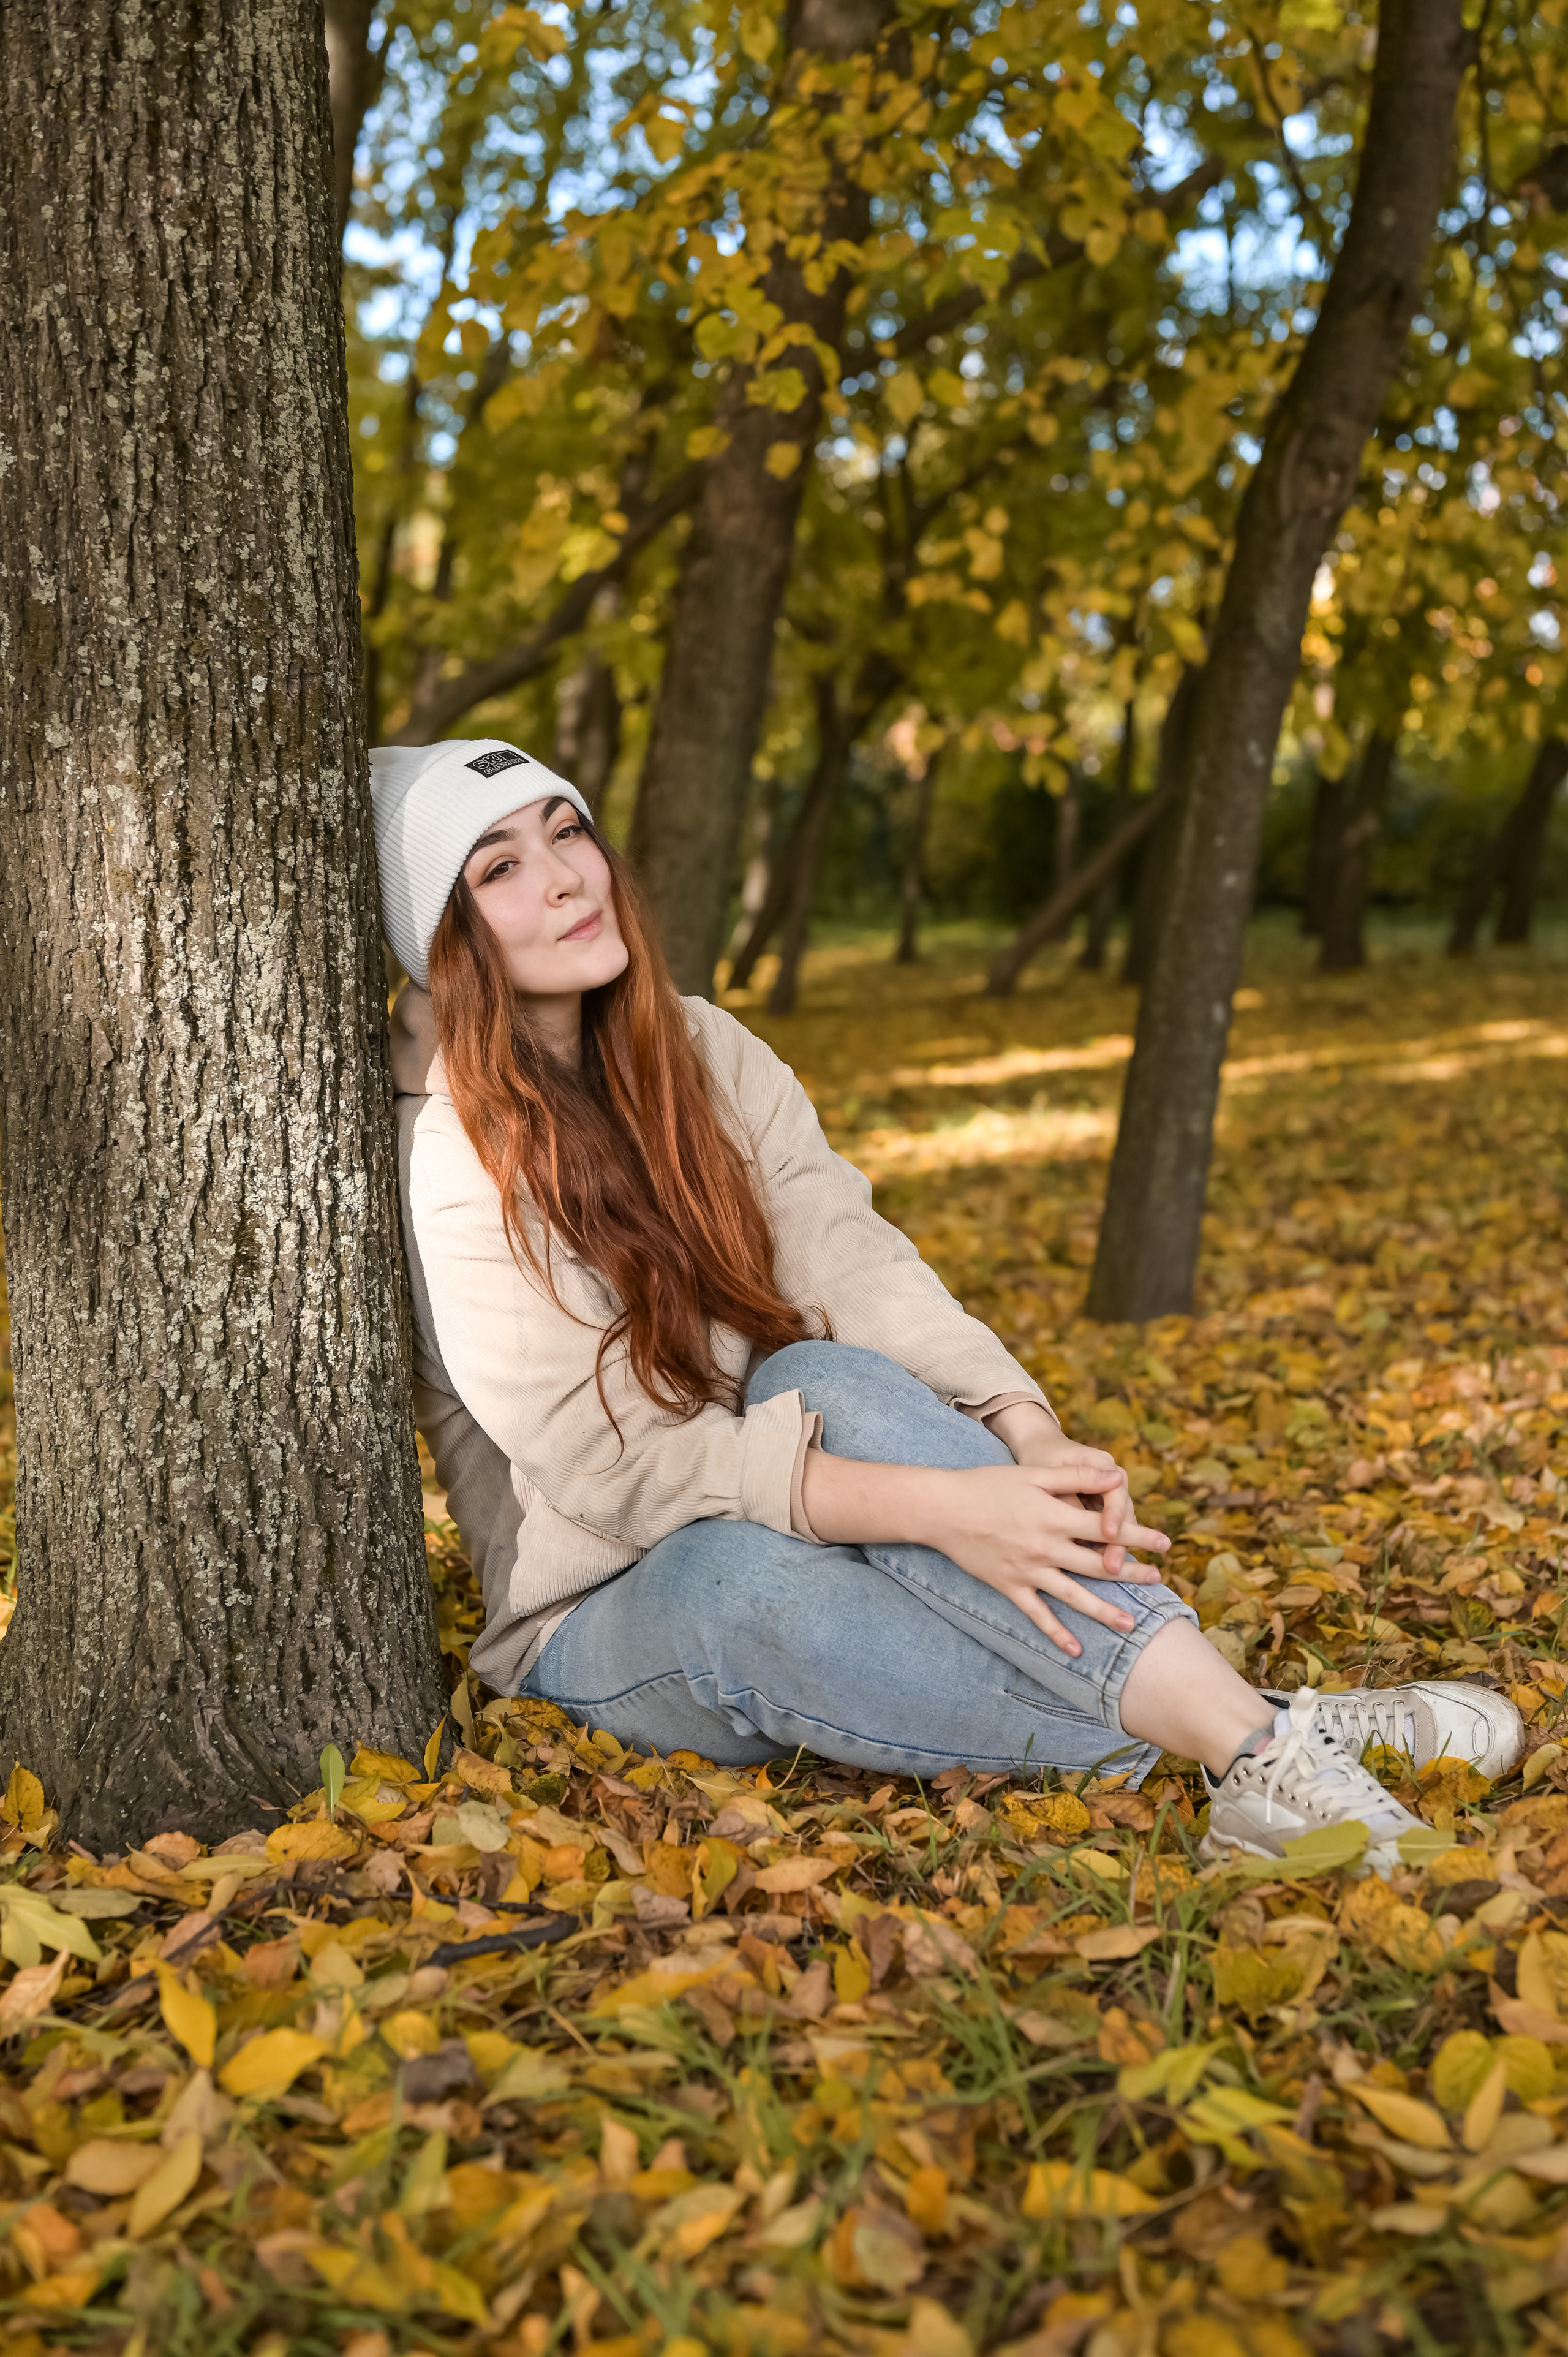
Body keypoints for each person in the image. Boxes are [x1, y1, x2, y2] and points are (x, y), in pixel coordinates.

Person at [370, 738, 1521, 1875]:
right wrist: (939, 1509)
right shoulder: (448, 1157)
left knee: (821, 1376)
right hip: (611, 1606)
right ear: (441, 942)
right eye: (499, 868)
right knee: (736, 1581)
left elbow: (852, 1262)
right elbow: (612, 1464)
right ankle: (1270, 1728)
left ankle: (1253, 1750)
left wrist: (1025, 1430)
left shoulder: (701, 1047)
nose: (566, 876)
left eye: (567, 831)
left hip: (789, 1494)